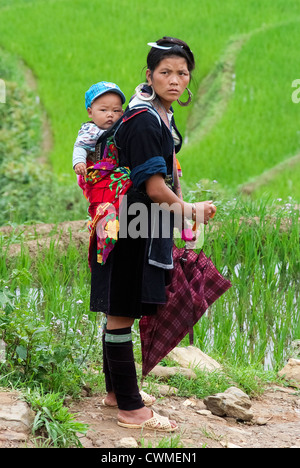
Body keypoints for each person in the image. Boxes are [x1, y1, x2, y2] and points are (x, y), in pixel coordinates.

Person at [89, 37, 216, 432]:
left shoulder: (156, 114)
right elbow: (156, 188)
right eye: (166, 72)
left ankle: (116, 394)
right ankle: (131, 409)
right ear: (150, 76)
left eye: (182, 73)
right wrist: (191, 210)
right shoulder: (145, 120)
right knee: (122, 314)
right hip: (131, 228)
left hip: (130, 223)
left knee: (118, 310)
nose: (175, 80)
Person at [72, 81, 126, 176]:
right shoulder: (90, 130)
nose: (110, 114)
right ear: (90, 112)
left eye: (116, 110)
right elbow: (80, 147)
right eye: (103, 110)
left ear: (122, 113)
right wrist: (79, 162)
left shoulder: (123, 127)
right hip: (97, 174)